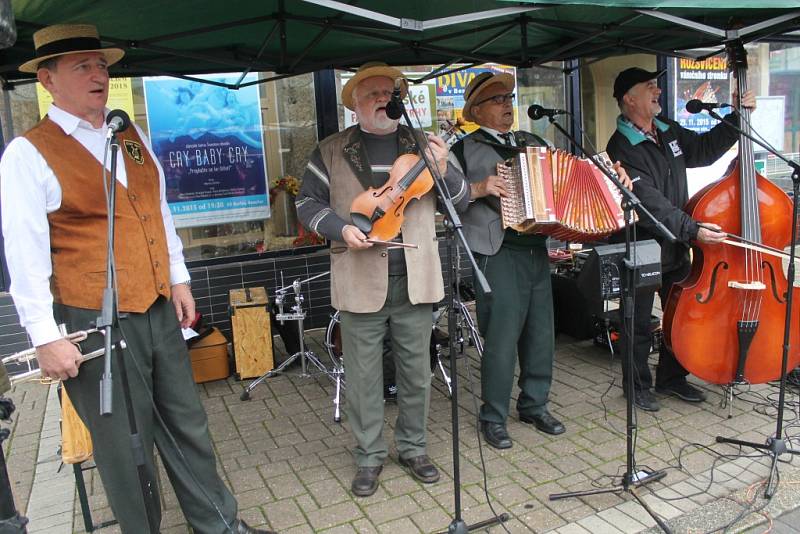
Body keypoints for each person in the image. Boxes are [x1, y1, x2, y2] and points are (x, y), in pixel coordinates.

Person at [0, 24, 273, 534]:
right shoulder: (28, 153)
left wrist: (179, 279)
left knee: (186, 423)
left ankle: (218, 524)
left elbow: (157, 211)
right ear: (47, 79)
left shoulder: (128, 134)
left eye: (101, 64)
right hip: (93, 320)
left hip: (154, 307)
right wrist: (44, 337)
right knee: (127, 446)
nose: (98, 74)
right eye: (82, 66)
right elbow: (25, 252)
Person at [295, 62, 469, 497]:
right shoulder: (332, 150)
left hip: (416, 276)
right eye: (370, 93)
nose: (380, 99)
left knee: (416, 372)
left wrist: (446, 168)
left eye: (386, 92)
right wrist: (340, 229)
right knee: (363, 376)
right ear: (354, 103)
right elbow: (305, 204)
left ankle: (413, 447)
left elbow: (460, 203)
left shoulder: (424, 144)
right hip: (358, 278)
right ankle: (369, 455)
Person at [606, 67, 756, 412]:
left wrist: (736, 116)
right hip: (641, 246)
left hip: (675, 243)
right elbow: (648, 203)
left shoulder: (667, 129)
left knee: (679, 315)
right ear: (630, 99)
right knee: (638, 321)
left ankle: (672, 379)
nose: (657, 90)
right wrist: (693, 229)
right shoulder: (621, 147)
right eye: (649, 87)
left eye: (656, 85)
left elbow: (703, 150)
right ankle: (637, 387)